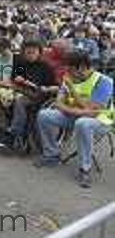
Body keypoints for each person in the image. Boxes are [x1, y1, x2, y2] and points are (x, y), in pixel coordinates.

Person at [36, 50, 113, 188]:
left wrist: (71, 89)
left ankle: (85, 168)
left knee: (83, 123)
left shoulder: (104, 81)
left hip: (100, 121)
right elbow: (58, 103)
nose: (68, 72)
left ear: (82, 67)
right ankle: (51, 155)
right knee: (44, 115)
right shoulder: (69, 77)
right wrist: (73, 110)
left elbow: (91, 111)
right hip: (75, 116)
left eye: (70, 68)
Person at [0, 38, 57, 148]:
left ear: (39, 53)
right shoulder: (21, 64)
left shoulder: (45, 67)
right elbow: (13, 78)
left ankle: (14, 132)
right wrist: (15, 80)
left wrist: (31, 84)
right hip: (20, 90)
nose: (30, 55)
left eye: (33, 52)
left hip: (38, 94)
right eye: (27, 52)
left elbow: (52, 86)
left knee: (20, 101)